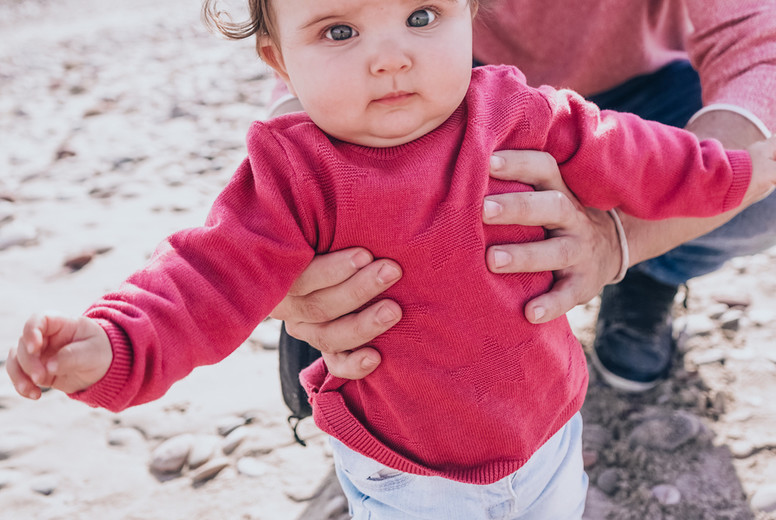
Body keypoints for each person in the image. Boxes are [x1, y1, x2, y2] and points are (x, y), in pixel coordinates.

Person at [7, 0, 776, 517]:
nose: (390, 58)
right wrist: (114, 344)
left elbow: (643, 154)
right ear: (279, 61)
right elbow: (202, 274)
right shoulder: (293, 174)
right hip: (407, 463)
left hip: (546, 424)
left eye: (419, 15)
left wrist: (714, 181)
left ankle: (642, 291)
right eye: (339, 32)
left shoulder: (517, 111)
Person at [271, 0, 776, 392]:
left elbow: (758, 48)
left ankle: (650, 273)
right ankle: (398, 307)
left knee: (763, 183)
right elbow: (312, 30)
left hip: (646, 91)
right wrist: (290, 219)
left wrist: (621, 242)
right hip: (446, 83)